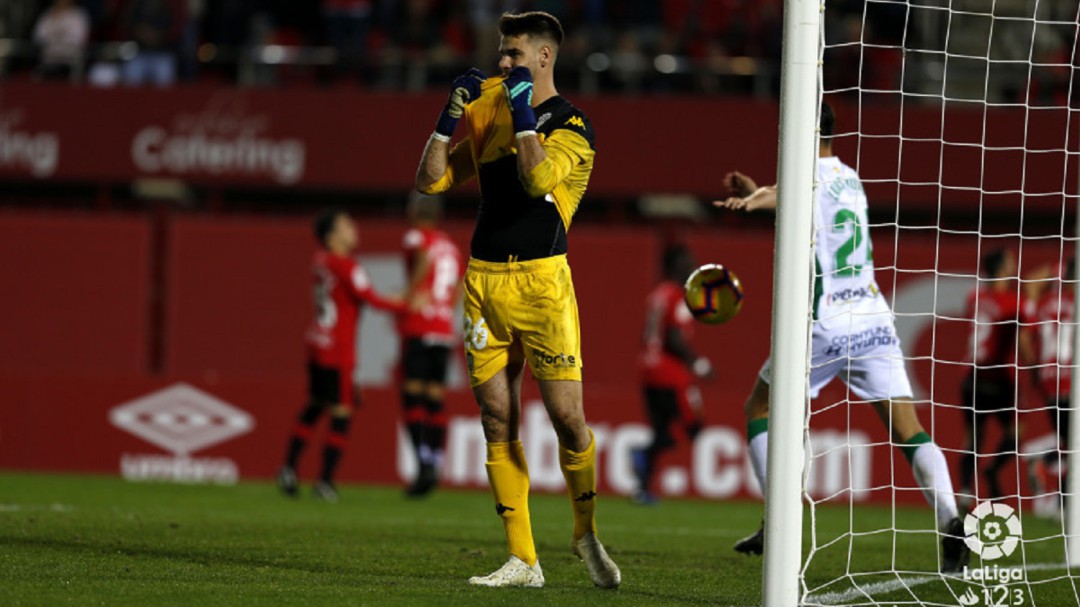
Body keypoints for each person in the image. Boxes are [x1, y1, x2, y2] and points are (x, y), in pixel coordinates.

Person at [715, 102, 970, 574]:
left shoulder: (801, 173)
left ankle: (778, 522)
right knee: (907, 428)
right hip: (873, 317)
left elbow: (792, 193)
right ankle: (950, 518)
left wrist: (752, 201)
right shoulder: (851, 177)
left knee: (760, 408)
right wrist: (761, 193)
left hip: (823, 320)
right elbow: (801, 199)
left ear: (802, 128)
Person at [414, 11, 620, 590]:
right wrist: (447, 121)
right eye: (501, 53)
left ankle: (584, 533)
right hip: (484, 282)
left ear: (544, 57)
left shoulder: (574, 125)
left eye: (514, 54)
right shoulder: (485, 111)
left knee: (567, 419)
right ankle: (523, 560)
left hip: (542, 285)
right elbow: (430, 182)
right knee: (495, 416)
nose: (502, 62)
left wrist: (524, 111)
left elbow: (536, 182)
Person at [277, 208, 404, 502]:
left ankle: (288, 468)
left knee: (315, 405)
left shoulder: (320, 261)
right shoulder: (347, 266)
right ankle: (324, 481)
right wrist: (410, 304)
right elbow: (373, 300)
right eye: (347, 226)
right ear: (332, 236)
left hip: (316, 342)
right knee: (341, 412)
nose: (354, 229)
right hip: (337, 350)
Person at [631, 243, 712, 505]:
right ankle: (644, 455)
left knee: (662, 431)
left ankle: (643, 488)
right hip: (671, 373)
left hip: (648, 369)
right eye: (688, 262)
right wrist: (698, 363)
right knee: (693, 425)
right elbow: (674, 337)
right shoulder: (678, 295)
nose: (692, 268)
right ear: (676, 265)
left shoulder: (657, 294)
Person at [398, 193, 463, 497]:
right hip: (443, 327)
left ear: (416, 211)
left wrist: (410, 293)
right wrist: (447, 307)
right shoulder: (449, 243)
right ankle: (435, 461)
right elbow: (459, 283)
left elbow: (421, 256)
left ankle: (423, 463)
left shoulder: (415, 235)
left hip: (421, 323)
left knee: (412, 394)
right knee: (436, 396)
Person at [958, 248, 1022, 505]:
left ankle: (964, 491)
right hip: (999, 376)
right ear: (1003, 267)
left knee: (972, 437)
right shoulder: (1013, 302)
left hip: (972, 374)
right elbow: (1023, 340)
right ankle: (993, 468)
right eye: (1011, 261)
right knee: (1016, 433)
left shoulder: (975, 297)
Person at [1023, 258, 1075, 516]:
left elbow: (1031, 281)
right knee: (1072, 443)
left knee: (1069, 441)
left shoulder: (1042, 304)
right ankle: (1046, 465)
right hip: (1071, 377)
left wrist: (1059, 267)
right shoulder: (1074, 301)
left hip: (1048, 378)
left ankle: (1064, 502)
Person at [32, 0, 91, 81]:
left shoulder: (78, 15)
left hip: (70, 59)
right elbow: (38, 36)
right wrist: (59, 34)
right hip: (49, 59)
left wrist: (56, 36)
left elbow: (78, 39)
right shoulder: (47, 14)